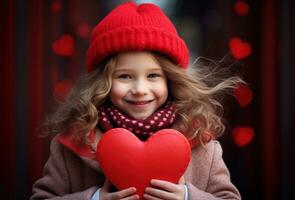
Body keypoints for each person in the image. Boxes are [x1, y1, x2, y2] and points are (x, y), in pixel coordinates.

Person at [31, 1, 242, 200]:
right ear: (103, 82)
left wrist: (187, 196)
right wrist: (94, 198)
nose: (140, 89)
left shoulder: (200, 140)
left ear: (171, 80)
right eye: (124, 76)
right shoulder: (74, 140)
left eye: (153, 76)